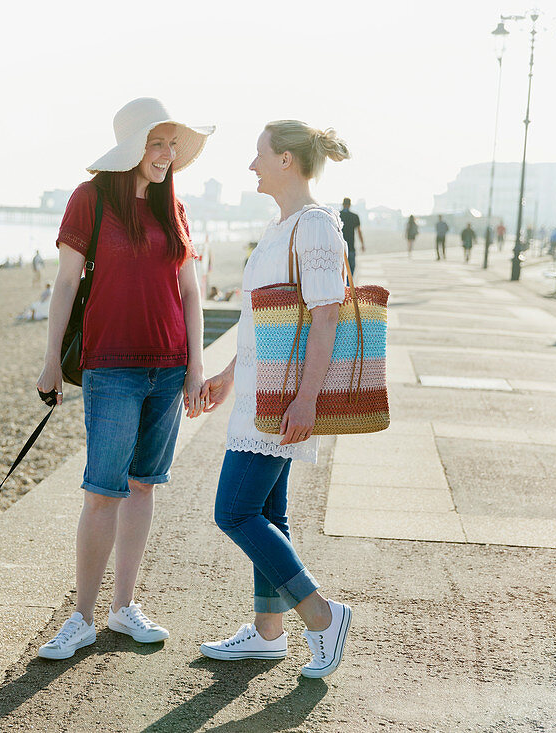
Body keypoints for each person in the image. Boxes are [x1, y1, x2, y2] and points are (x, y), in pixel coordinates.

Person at [35, 97, 214, 660]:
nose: (166, 156)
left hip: (168, 366)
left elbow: (190, 291)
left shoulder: (172, 206)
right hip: (109, 365)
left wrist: (197, 366)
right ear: (132, 146)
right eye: (156, 144)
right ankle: (82, 617)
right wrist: (48, 362)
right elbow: (65, 284)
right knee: (101, 491)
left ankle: (123, 608)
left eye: (171, 146)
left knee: (143, 486)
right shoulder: (89, 200)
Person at [198, 120, 353, 679]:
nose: (252, 165)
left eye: (259, 154)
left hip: (285, 397)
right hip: (261, 394)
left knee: (234, 511)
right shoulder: (281, 227)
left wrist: (308, 399)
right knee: (266, 512)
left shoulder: (314, 227)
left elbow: (327, 315)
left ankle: (322, 615)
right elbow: (267, 323)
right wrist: (228, 376)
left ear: (287, 160)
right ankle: (268, 634)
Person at [339, 197, 364, 274]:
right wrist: (362, 244)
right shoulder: (354, 216)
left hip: (340, 247)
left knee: (341, 269)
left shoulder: (338, 215)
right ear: (350, 205)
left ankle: (343, 285)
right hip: (351, 246)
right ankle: (349, 285)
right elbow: (359, 231)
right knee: (351, 268)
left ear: (343, 204)